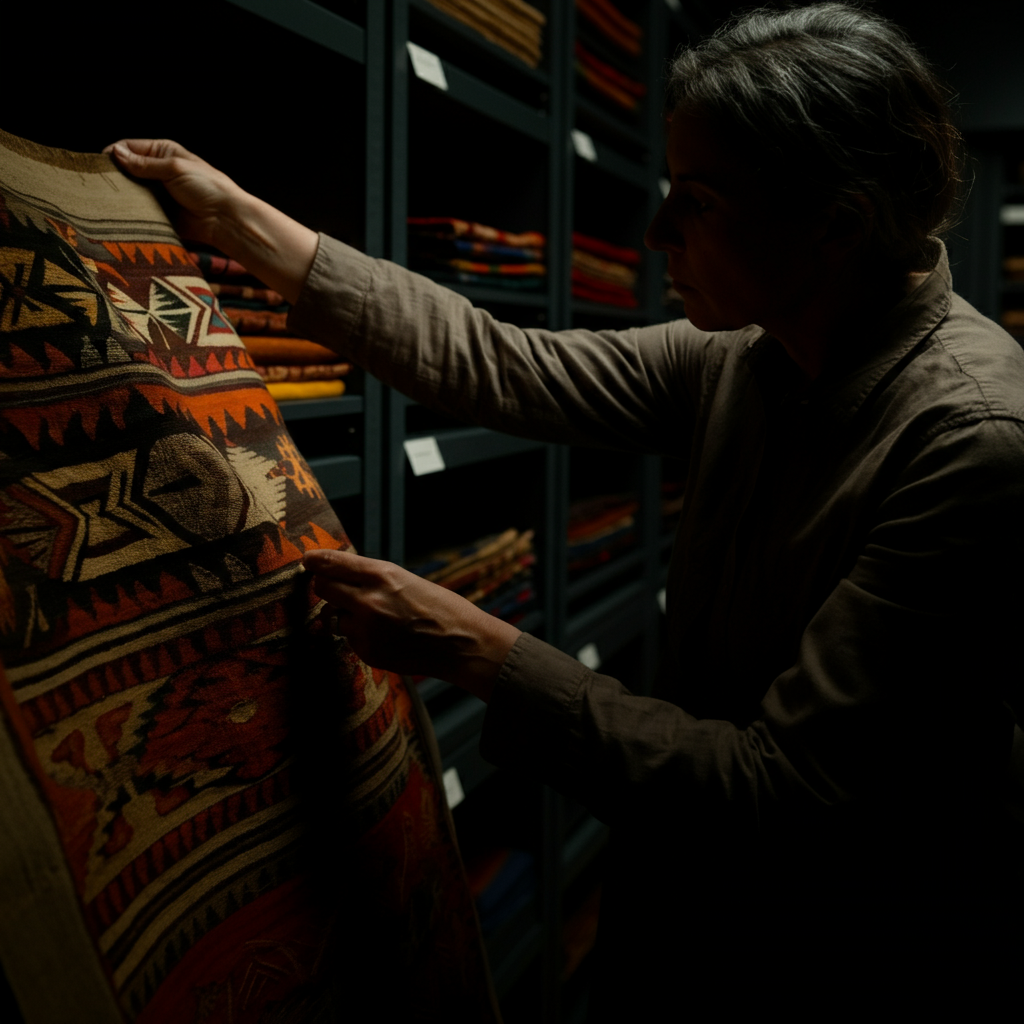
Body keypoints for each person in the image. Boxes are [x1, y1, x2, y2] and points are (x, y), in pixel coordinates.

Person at [107, 3, 1024, 1019]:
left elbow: (783, 795)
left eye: (698, 202)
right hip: (689, 905)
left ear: (837, 224)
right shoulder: (754, 353)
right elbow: (505, 362)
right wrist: (238, 219)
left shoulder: (972, 440)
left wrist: (476, 648)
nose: (656, 233)